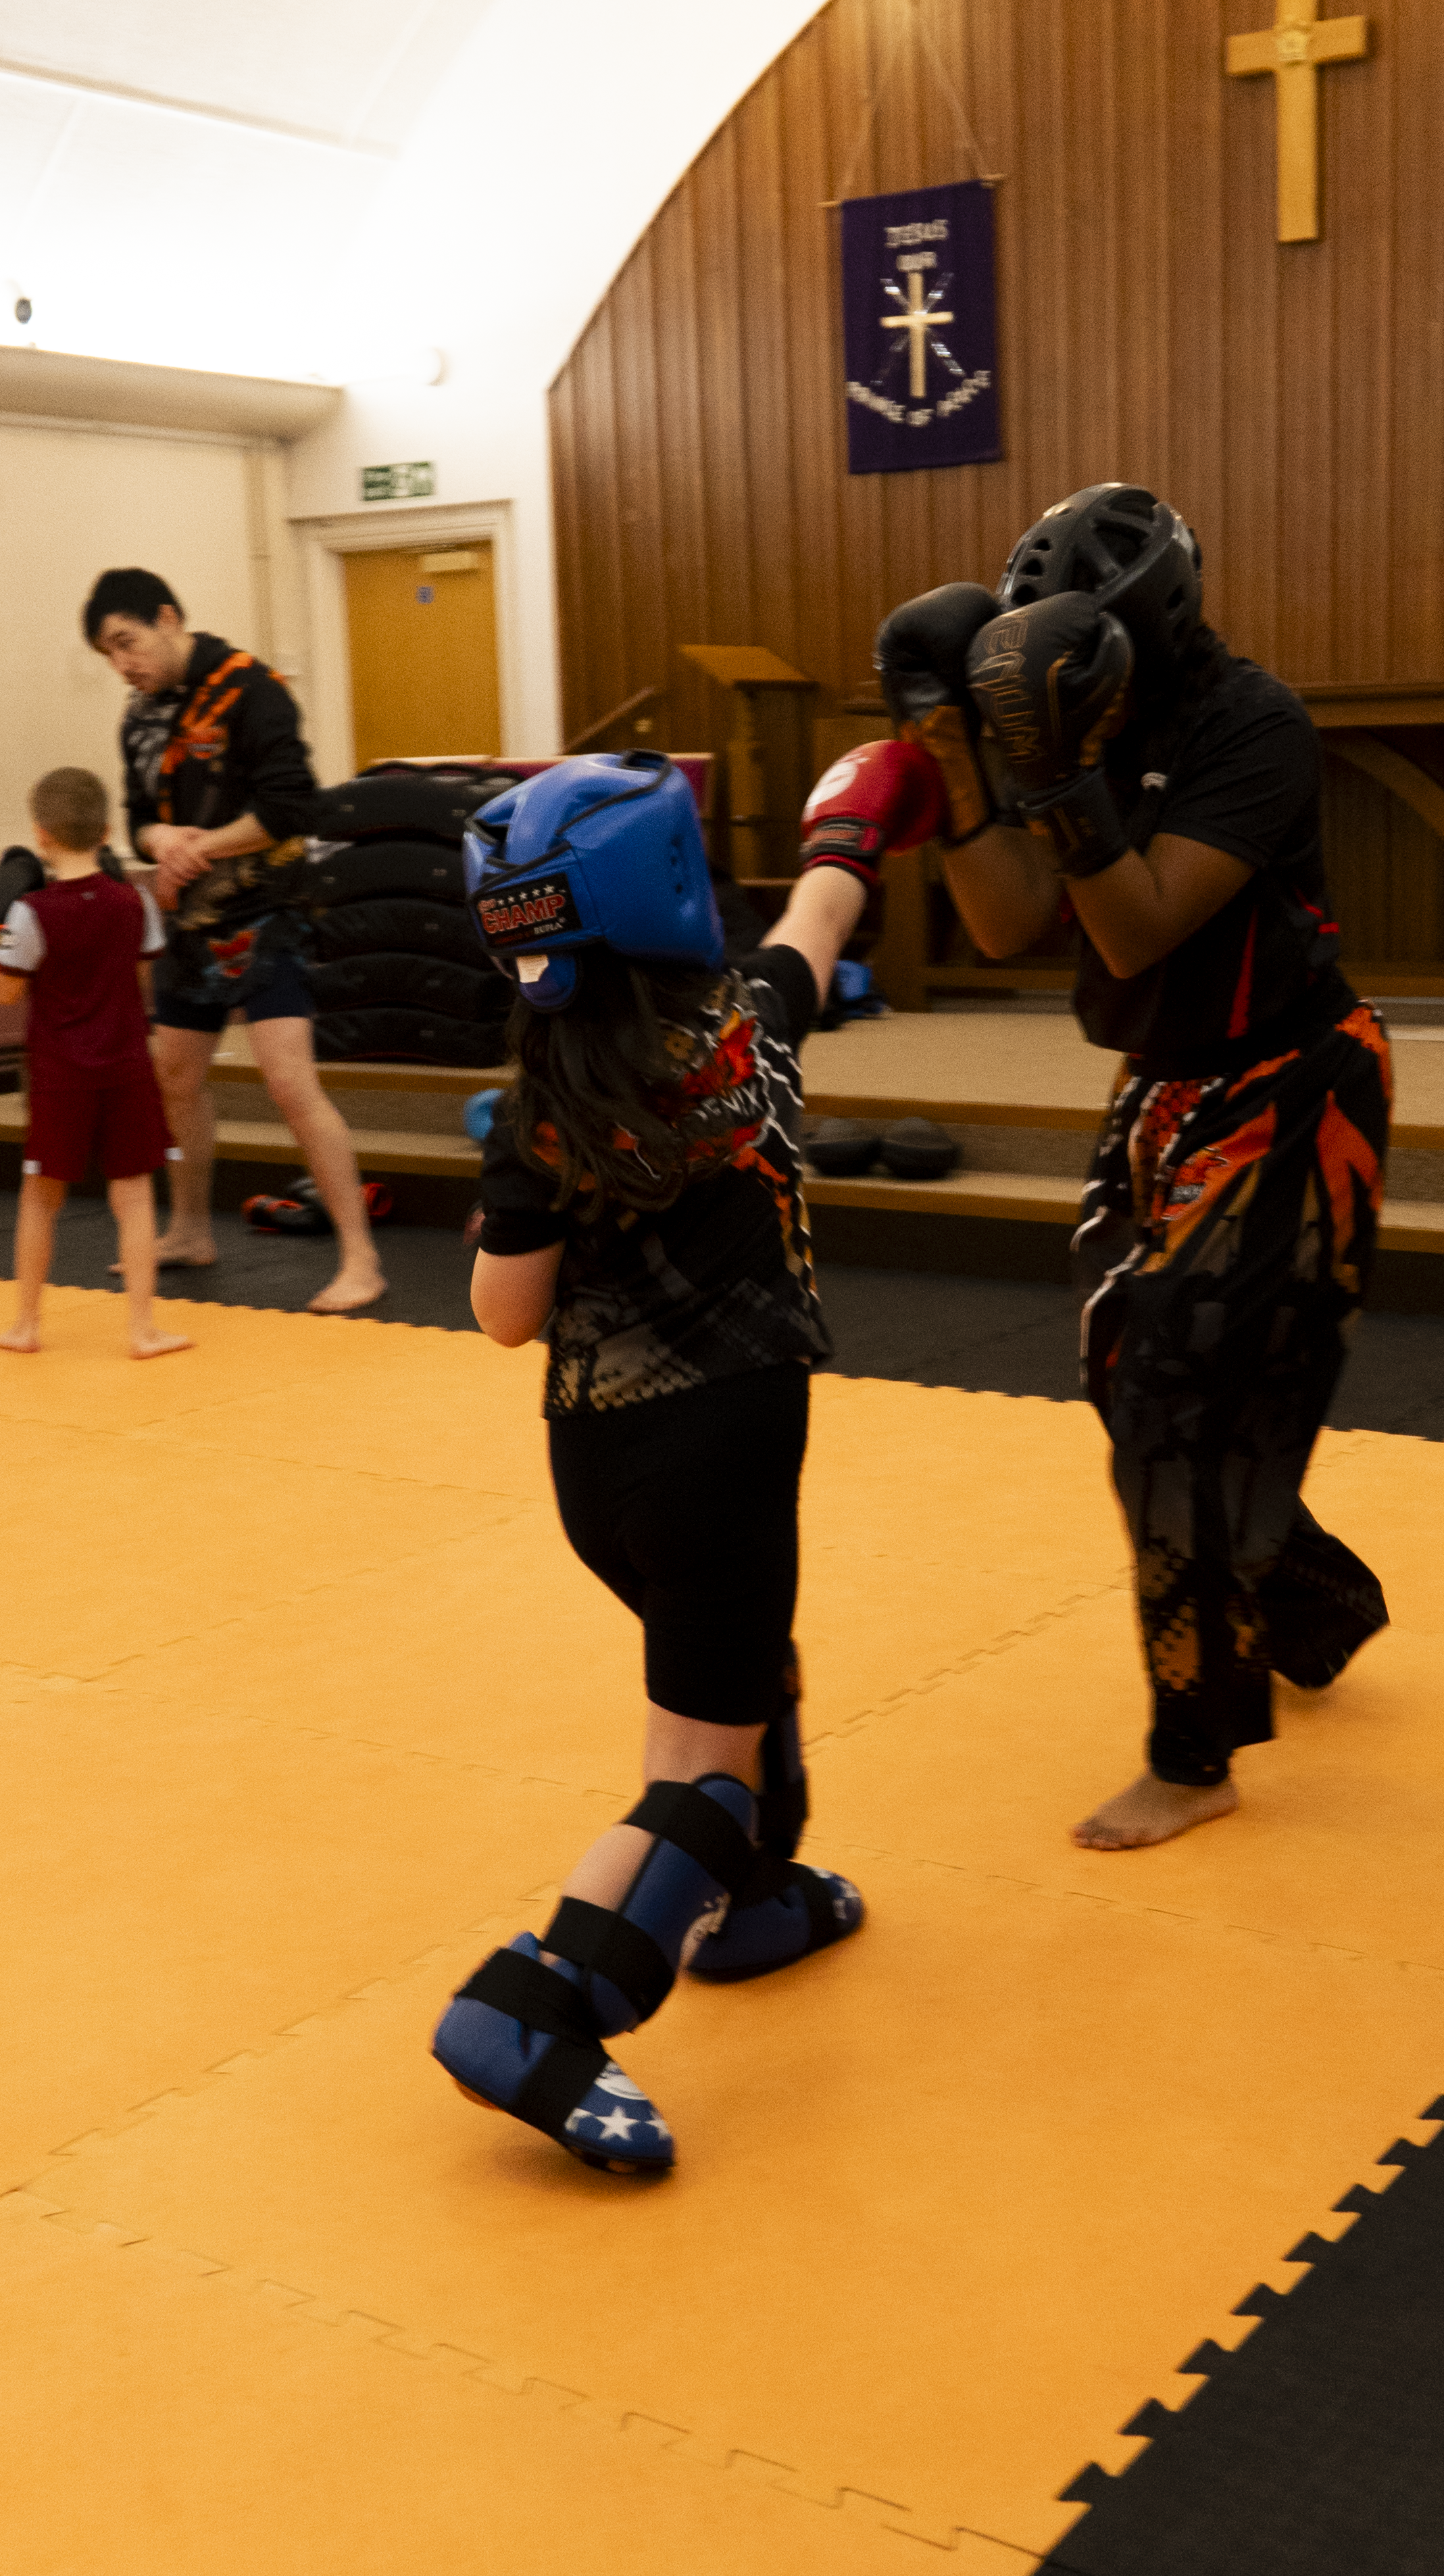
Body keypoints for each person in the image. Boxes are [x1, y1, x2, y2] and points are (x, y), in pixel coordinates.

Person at [432, 742, 941, 2174]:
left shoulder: (543, 1098)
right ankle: (532, 2010)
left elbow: (501, 1317)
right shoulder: (750, 1031)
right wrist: (852, 816)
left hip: (598, 1470)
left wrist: (511, 1210)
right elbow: (816, 925)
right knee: (698, 1773)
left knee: (743, 1675)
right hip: (720, 1457)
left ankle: (759, 1901)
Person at [875, 483, 1391, 1851]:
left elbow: (1140, 929)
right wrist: (951, 752)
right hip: (1160, 1091)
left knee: (1175, 1403)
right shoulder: (1037, 703)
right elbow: (1005, 925)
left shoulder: (1251, 725)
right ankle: (1317, 1605)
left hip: (1292, 1082)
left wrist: (1051, 775)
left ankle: (1195, 1750)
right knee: (1127, 1381)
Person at [83, 567, 386, 1315]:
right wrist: (159, 836)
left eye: (128, 642)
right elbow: (135, 815)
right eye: (108, 654)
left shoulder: (253, 689)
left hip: (268, 914)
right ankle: (188, 1229)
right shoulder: (140, 715)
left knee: (289, 1081)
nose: (124, 663)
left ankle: (362, 1257)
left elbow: (291, 805)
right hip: (191, 924)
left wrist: (201, 847)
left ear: (168, 617)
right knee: (174, 1076)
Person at [0, 767, 191, 1361]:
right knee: (135, 1195)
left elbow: (5, 994)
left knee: (41, 1196)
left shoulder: (30, 913)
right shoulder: (135, 902)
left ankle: (25, 1323)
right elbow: (143, 975)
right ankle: (144, 1330)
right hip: (126, 1065)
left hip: (59, 1074)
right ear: (106, 830)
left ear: (40, 834)